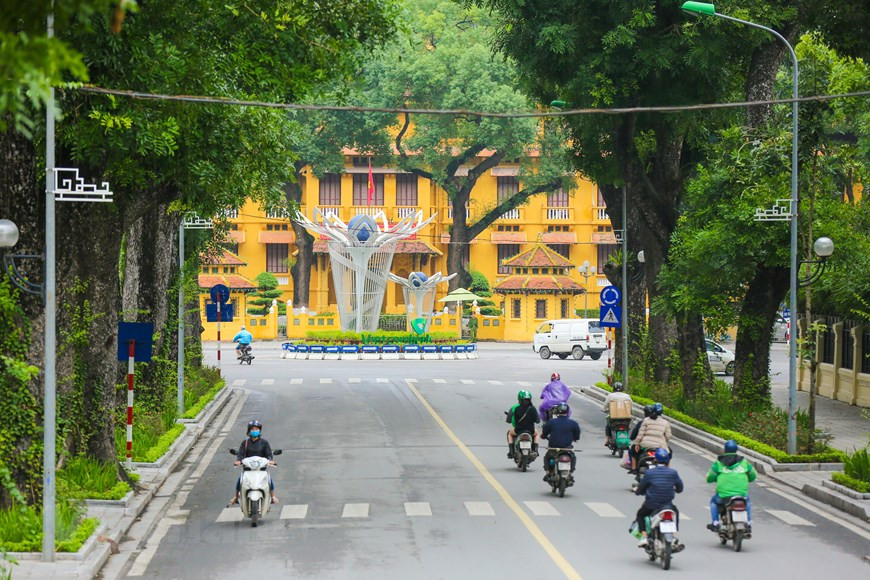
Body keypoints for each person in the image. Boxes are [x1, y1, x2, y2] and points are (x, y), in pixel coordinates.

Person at [634, 448, 683, 549]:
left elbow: (641, 488)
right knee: (676, 512)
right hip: (667, 505)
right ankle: (674, 535)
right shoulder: (673, 472)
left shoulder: (649, 473)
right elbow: (680, 488)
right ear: (668, 460)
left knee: (640, 514)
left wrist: (638, 492)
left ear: (655, 460)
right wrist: (676, 489)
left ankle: (644, 537)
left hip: (651, 504)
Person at [706, 440, 756, 532]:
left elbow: (710, 477)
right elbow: (753, 476)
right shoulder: (744, 462)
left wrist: (712, 479)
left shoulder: (719, 463)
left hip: (723, 495)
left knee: (713, 502)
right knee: (747, 501)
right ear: (736, 449)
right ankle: (748, 522)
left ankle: (715, 523)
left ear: (725, 450)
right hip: (741, 494)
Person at [229, 420, 278, 505]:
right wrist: (238, 461)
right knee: (240, 480)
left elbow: (269, 454)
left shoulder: (264, 443)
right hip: (248, 468)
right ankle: (236, 497)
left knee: (268, 479)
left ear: (259, 430)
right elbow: (241, 454)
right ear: (249, 431)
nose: (255, 430)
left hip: (261, 468)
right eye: (253, 429)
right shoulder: (245, 443)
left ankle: (273, 496)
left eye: (256, 429)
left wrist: (270, 461)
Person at [541, 402, 581, 481]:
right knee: (573, 458)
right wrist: (575, 438)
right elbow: (577, 436)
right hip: (567, 449)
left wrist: (544, 436)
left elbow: (544, 432)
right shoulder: (573, 423)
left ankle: (548, 472)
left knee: (547, 457)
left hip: (554, 448)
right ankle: (570, 473)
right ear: (567, 411)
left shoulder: (552, 422)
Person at [630, 402, 671, 473]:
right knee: (669, 453)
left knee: (633, 449)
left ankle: (634, 468)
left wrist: (637, 443)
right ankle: (668, 469)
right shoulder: (665, 422)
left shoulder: (646, 420)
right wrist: (664, 442)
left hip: (645, 444)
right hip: (660, 445)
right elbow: (668, 436)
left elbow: (641, 433)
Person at [506, 390, 540, 457]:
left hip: (518, 430)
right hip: (530, 431)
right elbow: (537, 421)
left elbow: (515, 421)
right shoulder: (533, 409)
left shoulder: (517, 408)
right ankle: (536, 450)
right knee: (537, 434)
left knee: (509, 433)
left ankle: (511, 450)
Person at [601, 382, 632, 446]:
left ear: (614, 388)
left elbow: (605, 406)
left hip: (614, 417)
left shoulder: (610, 396)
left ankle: (607, 440)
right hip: (626, 417)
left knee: (608, 425)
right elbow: (630, 405)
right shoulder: (627, 396)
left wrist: (603, 410)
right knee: (627, 426)